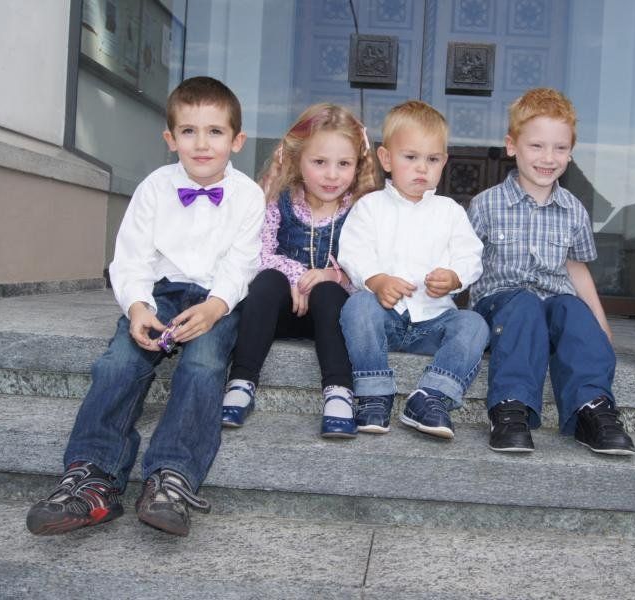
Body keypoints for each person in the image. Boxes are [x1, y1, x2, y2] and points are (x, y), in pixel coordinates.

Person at [25, 76, 265, 537]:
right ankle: (93, 477)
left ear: (237, 141)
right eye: (189, 131)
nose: (201, 143)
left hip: (217, 299)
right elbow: (130, 258)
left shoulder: (249, 195)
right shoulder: (155, 187)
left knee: (203, 366)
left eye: (215, 132)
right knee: (118, 363)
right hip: (160, 293)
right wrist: (137, 307)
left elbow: (242, 263)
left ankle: (172, 478)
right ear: (170, 139)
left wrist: (215, 308)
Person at [468, 88, 635, 455]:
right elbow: (462, 263)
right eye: (537, 146)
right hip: (501, 309)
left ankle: (591, 408)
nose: (548, 157)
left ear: (571, 153)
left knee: (573, 309)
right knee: (524, 303)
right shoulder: (485, 205)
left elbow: (575, 267)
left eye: (560, 148)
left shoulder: (573, 210)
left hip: (553, 307)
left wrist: (599, 322)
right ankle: (510, 408)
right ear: (512, 146)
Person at [220, 103, 376, 438]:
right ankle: (241, 381)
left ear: (357, 164)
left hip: (332, 322)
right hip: (278, 314)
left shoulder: (363, 209)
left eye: (344, 164)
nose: (332, 175)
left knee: (329, 290)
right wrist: (294, 275)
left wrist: (335, 276)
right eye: (319, 162)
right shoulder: (279, 200)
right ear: (297, 159)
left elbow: (373, 267)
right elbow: (258, 253)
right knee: (267, 281)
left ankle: (339, 391)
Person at [338, 100, 489, 440]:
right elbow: (353, 251)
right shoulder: (370, 207)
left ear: (444, 162)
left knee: (474, 324)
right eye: (410, 157)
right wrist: (377, 280)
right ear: (386, 159)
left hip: (434, 321)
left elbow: (470, 255)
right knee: (357, 306)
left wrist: (454, 277)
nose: (422, 167)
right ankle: (374, 394)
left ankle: (431, 396)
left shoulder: (450, 211)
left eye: (432, 160)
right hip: (386, 317)